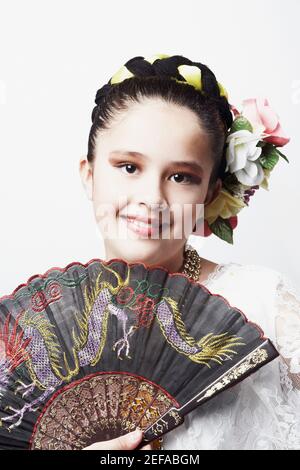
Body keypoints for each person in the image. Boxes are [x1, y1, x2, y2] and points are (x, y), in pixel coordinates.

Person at [79, 54, 300, 450]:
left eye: (181, 177)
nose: (151, 198)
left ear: (210, 194)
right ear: (90, 174)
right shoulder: (33, 334)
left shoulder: (266, 304)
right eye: (128, 167)